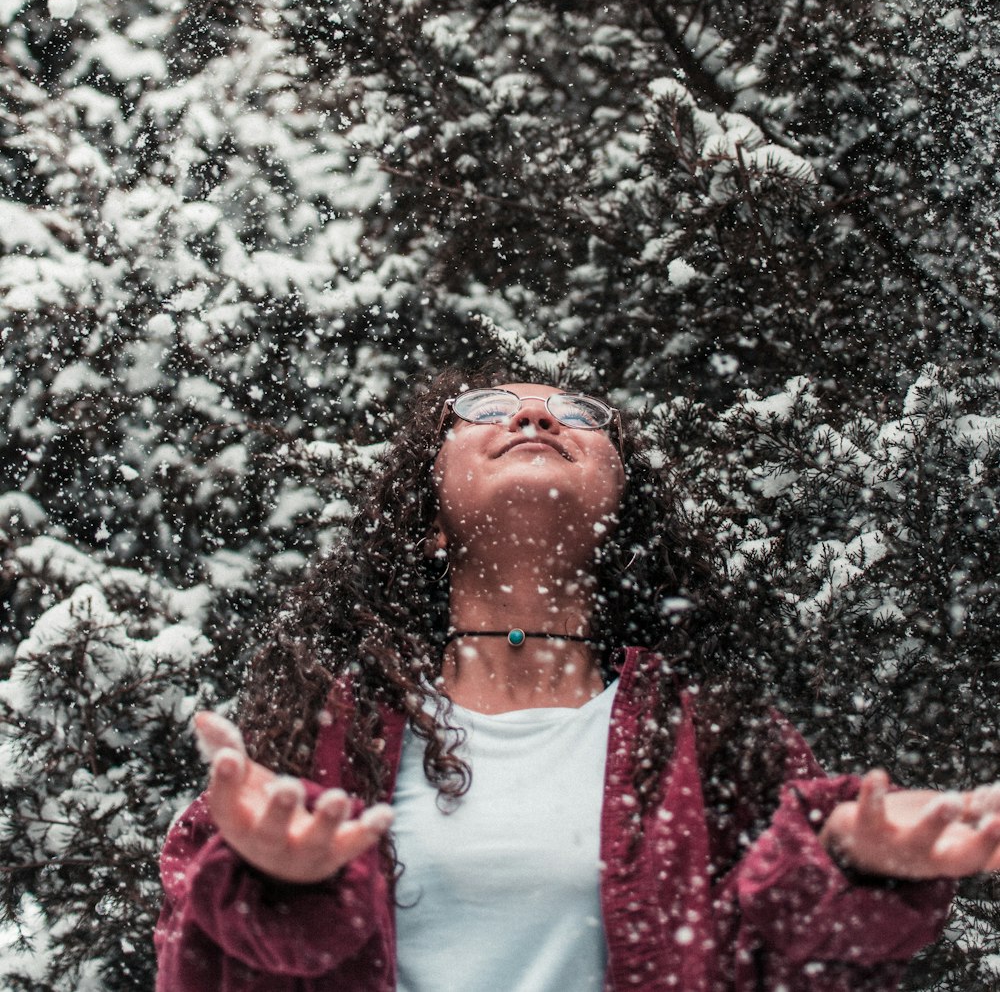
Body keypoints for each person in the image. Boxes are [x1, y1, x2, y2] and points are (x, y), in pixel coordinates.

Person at [155, 373, 1000, 992]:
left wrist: (852, 863)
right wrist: (265, 882)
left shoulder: (713, 738)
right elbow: (192, 965)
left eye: (579, 415)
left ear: (618, 510)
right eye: (486, 410)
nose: (532, 414)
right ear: (430, 526)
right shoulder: (329, 736)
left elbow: (782, 971)